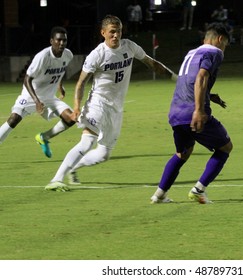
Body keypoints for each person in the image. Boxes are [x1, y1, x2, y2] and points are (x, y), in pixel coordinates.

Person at [45, 15, 177, 192]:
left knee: (103, 154)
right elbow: (81, 82)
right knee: (87, 142)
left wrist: (177, 79)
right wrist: (77, 107)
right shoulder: (97, 55)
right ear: (103, 33)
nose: (116, 35)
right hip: (97, 104)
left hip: (116, 109)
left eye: (119, 31)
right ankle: (56, 179)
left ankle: (74, 167)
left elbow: (151, 63)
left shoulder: (129, 46)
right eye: (112, 32)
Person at [150, 22, 233, 204]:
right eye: (225, 43)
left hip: (175, 113)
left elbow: (188, 81)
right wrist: (199, 110)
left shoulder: (191, 54)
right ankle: (198, 190)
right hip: (192, 112)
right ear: (219, 39)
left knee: (183, 153)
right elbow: (201, 77)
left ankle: (159, 195)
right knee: (225, 147)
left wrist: (210, 96)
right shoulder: (214, 52)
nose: (224, 48)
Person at [0, 26, 74, 158]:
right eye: (59, 40)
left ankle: (43, 137)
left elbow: (61, 69)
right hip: (31, 94)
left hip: (49, 97)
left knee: (71, 118)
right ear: (52, 41)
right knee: (14, 119)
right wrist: (36, 101)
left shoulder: (68, 55)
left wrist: (59, 85)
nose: (62, 43)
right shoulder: (43, 57)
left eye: (64, 40)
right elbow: (27, 79)